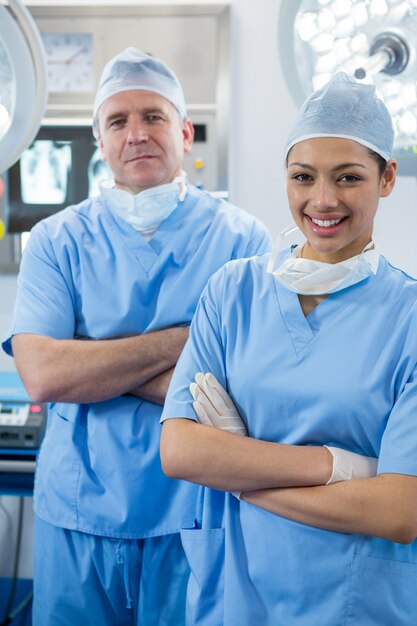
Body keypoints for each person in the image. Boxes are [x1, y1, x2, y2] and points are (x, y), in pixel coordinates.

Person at [2, 47, 271, 626]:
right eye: (118, 121)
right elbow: (45, 375)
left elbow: (243, 388)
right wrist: (190, 337)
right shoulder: (56, 241)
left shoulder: (242, 238)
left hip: (194, 510)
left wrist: (92, 366)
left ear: (185, 132)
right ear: (101, 141)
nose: (137, 134)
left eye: (153, 116)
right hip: (77, 513)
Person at [160, 72, 417, 625]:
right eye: (303, 177)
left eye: (348, 177)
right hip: (235, 595)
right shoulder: (232, 291)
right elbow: (180, 451)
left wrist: (236, 465)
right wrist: (340, 468)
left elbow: (399, 510)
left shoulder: (410, 318)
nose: (323, 200)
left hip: (355, 604)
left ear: (387, 178)